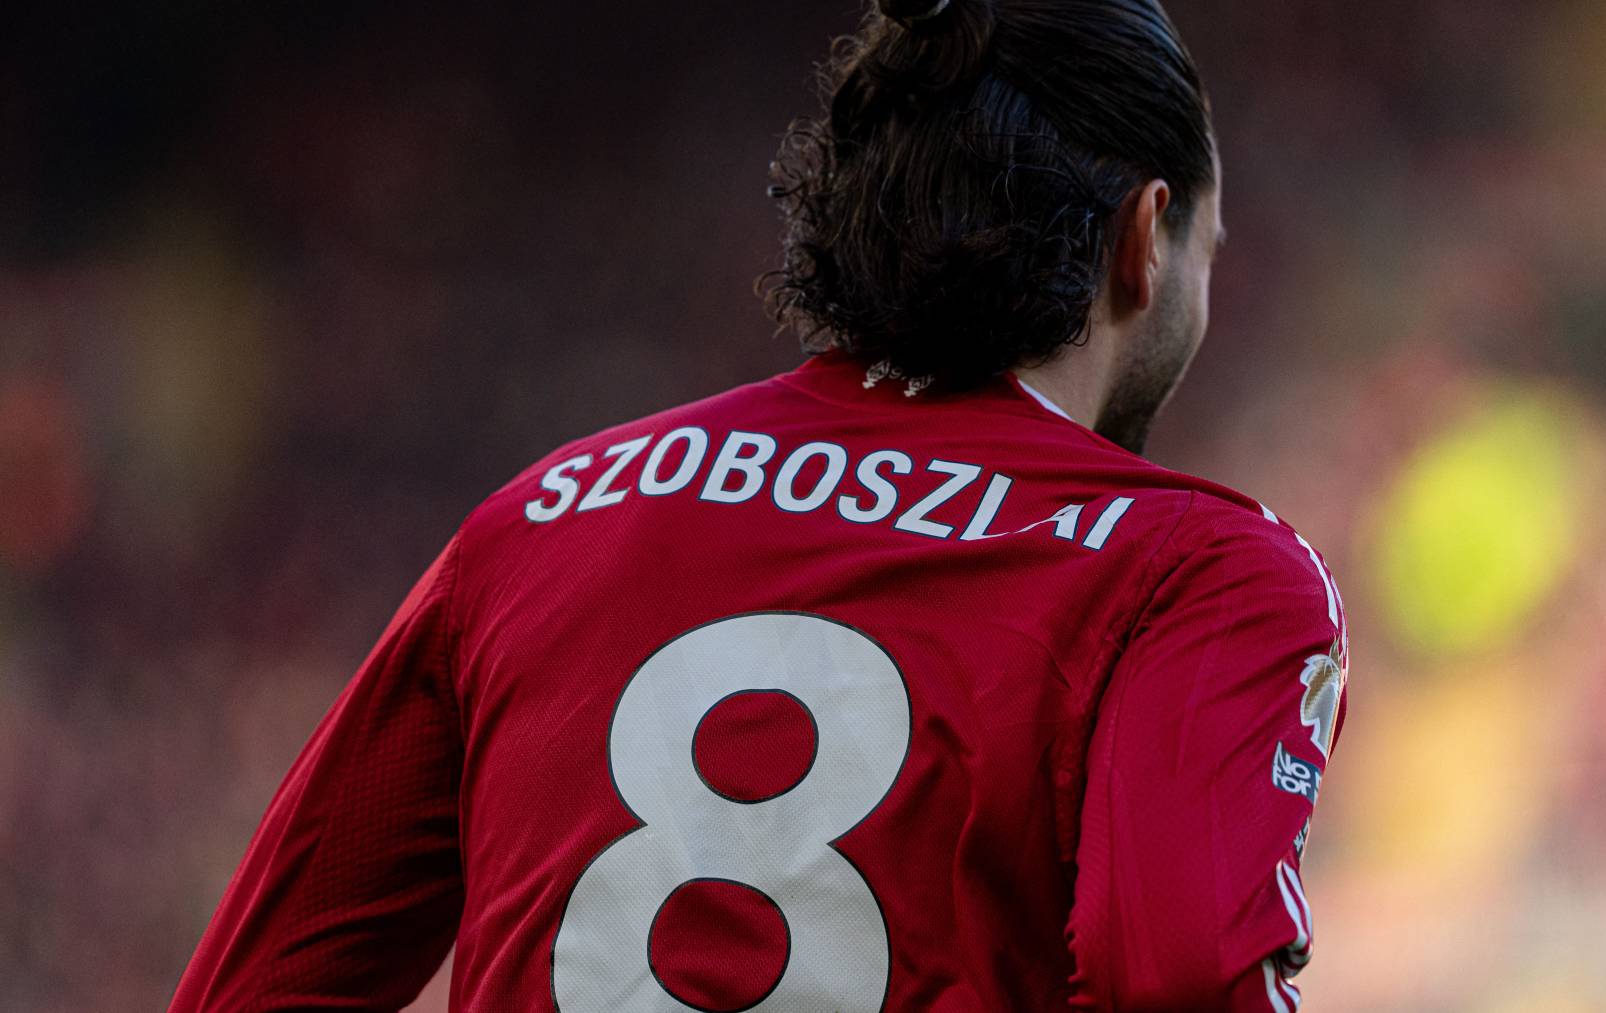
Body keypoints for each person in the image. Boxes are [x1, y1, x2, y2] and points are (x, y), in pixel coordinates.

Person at [171, 0, 1348, 1009]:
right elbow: (1182, 975)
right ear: (1145, 237)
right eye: (1211, 241)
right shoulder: (1197, 570)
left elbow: (255, 987)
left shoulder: (538, 519)